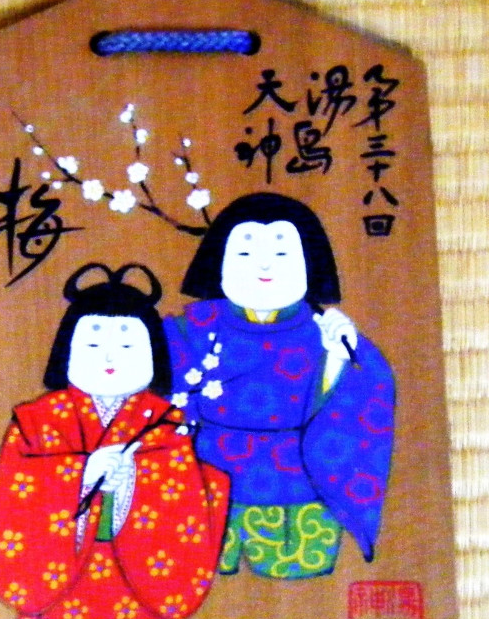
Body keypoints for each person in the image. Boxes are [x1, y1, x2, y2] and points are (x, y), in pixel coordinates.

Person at [0, 263, 229, 619]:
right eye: (92, 345)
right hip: (60, 584)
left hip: (140, 589)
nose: (109, 359)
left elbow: (183, 500)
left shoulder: (166, 422)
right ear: (66, 351)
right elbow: (14, 492)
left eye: (127, 347)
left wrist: (133, 479)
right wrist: (81, 474)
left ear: (153, 353)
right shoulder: (37, 420)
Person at [164, 193, 395, 580]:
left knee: (303, 596)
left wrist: (338, 362)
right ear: (219, 260)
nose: (264, 265)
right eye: (245, 253)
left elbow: (369, 401)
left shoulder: (331, 335)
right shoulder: (188, 331)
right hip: (202, 492)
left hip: (299, 496)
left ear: (310, 263)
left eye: (282, 253)